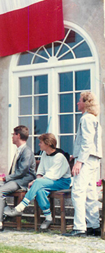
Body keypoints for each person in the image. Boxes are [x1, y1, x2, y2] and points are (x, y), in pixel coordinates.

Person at [5, 133, 71, 230]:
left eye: (41, 142)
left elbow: (53, 175)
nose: (39, 144)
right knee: (39, 190)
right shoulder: (44, 154)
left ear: (48, 144)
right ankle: (48, 218)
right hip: (48, 181)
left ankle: (21, 207)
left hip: (62, 182)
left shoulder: (59, 157)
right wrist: (38, 178)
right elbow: (40, 170)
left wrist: (36, 181)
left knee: (38, 184)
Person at [63, 91, 102, 237]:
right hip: (94, 159)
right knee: (91, 192)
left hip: (87, 159)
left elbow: (87, 142)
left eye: (79, 100)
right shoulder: (93, 119)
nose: (77, 103)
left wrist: (79, 161)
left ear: (85, 103)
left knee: (78, 191)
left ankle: (80, 227)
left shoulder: (86, 119)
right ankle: (93, 225)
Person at [0, 125, 36, 232]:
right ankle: (6, 209)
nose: (12, 137)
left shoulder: (27, 151)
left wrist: (5, 178)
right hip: (16, 180)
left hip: (23, 181)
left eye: (13, 134)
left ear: (18, 135)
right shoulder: (19, 150)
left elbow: (22, 171)